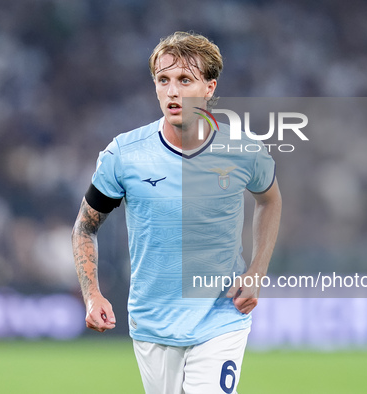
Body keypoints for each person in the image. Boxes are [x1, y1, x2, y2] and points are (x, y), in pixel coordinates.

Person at [72, 31, 281, 394]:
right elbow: (84, 229)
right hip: (153, 324)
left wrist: (257, 270)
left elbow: (270, 200)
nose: (173, 91)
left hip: (222, 317)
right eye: (163, 80)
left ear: (210, 87)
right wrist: (93, 295)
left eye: (185, 80)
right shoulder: (124, 155)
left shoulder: (244, 150)